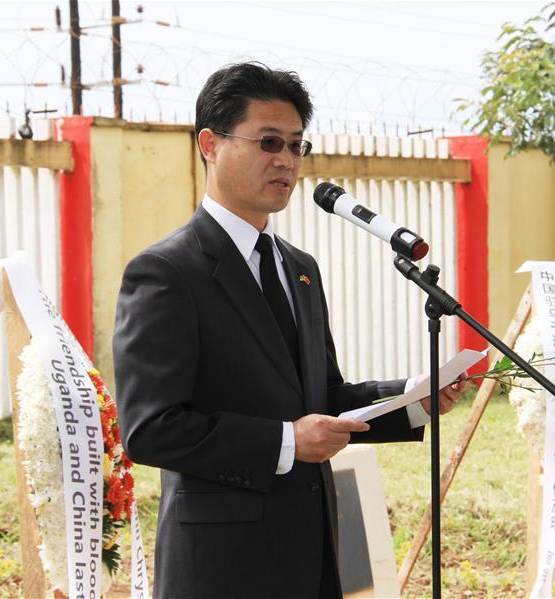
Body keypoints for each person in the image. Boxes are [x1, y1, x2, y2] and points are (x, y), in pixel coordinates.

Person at [113, 62, 465, 599]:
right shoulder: (166, 272)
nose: (286, 161)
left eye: (297, 145)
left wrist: (414, 399)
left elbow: (323, 396)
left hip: (313, 552)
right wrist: (285, 441)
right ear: (210, 144)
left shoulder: (299, 267)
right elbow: (151, 428)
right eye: (268, 142)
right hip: (222, 566)